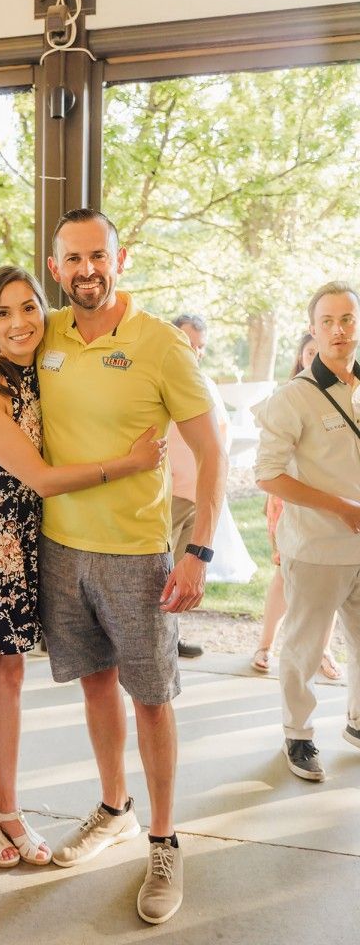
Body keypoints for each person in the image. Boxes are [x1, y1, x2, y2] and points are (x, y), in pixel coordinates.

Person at [0, 210, 227, 924]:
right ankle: (114, 809)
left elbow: (215, 448)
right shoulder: (49, 336)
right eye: (72, 259)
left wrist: (198, 550)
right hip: (58, 551)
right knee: (97, 687)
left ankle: (164, 840)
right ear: (56, 266)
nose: (86, 270)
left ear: (119, 257)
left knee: (152, 698)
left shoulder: (160, 343)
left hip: (137, 554)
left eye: (97, 255)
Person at [0, 265, 167, 870]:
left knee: (11, 679)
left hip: (29, 540)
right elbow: (42, 478)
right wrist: (129, 463)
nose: (18, 323)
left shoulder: (46, 369)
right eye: (2, 313)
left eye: (27, 308)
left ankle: (7, 803)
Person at [255, 281, 360, 782]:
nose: (339, 330)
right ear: (313, 331)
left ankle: (357, 723)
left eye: (348, 319)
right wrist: (341, 507)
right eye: (328, 322)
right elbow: (268, 475)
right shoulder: (293, 398)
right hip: (316, 549)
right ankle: (298, 735)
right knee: (303, 647)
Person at [252, 332, 341, 680]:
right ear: (301, 357)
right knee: (284, 571)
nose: (316, 356)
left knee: (332, 576)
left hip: (334, 500)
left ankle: (323, 649)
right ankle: (265, 644)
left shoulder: (348, 395)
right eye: (309, 351)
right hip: (288, 497)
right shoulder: (287, 396)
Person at [168, 314, 255, 656]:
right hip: (170, 494)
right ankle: (154, 643)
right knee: (159, 573)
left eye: (201, 346)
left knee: (182, 573)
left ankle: (170, 639)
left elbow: (220, 435)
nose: (197, 352)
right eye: (190, 344)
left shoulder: (206, 383)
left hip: (197, 494)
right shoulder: (162, 381)